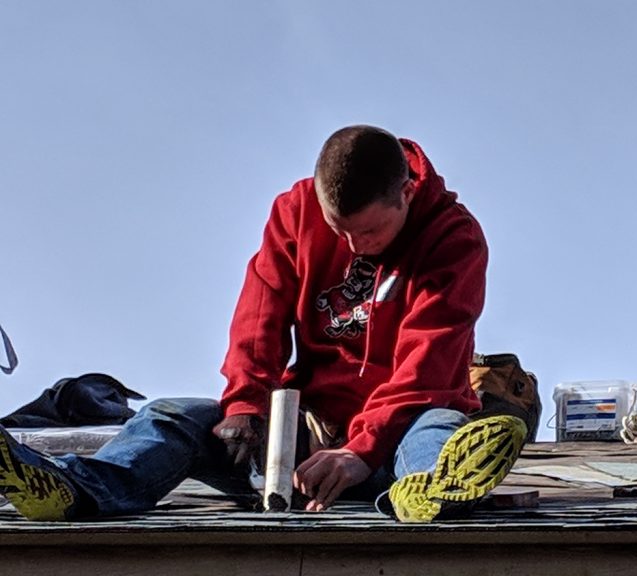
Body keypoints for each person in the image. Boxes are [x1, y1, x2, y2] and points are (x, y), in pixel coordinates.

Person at [0, 125, 526, 523]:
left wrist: (360, 452)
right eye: (338, 231)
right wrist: (246, 404)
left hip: (396, 432)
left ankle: (429, 495)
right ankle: (75, 489)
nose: (351, 248)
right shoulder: (295, 210)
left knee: (438, 428)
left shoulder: (454, 239)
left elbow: (426, 366)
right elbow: (261, 313)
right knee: (170, 415)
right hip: (306, 427)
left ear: (406, 194)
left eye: (367, 232)